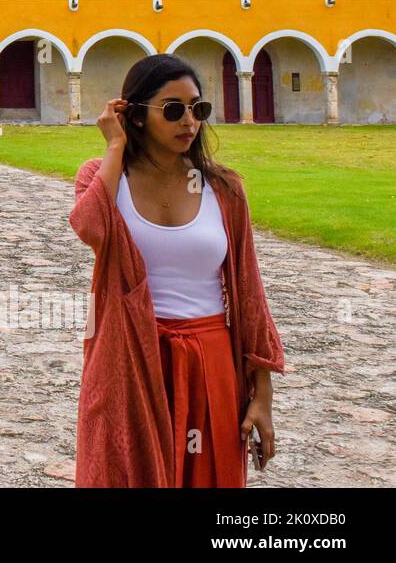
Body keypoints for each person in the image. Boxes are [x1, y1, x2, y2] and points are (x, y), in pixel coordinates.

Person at [69, 53, 284, 487]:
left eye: (197, 108)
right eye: (173, 109)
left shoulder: (224, 188)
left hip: (210, 361)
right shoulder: (104, 176)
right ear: (136, 115)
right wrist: (115, 146)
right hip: (128, 356)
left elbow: (249, 294)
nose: (189, 121)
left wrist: (262, 395)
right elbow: (90, 227)